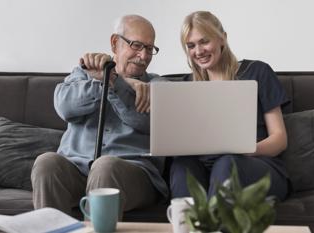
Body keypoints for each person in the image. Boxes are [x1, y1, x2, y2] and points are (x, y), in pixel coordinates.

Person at [31, 14, 168, 218]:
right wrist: (105, 82)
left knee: (105, 166)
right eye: (137, 45)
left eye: (149, 48)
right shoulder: (83, 73)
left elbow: (145, 121)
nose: (144, 56)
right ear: (115, 43)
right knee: (47, 162)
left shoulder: (156, 86)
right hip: (76, 169)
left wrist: (113, 82)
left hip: (133, 175)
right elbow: (64, 107)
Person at [170, 11, 290, 201]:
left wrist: (246, 149)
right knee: (181, 167)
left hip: (256, 165)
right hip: (205, 166)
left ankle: (215, 228)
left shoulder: (257, 72)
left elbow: (280, 139)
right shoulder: (186, 86)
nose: (198, 51)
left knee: (226, 163)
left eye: (204, 41)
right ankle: (187, 228)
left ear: (222, 39)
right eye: (191, 45)